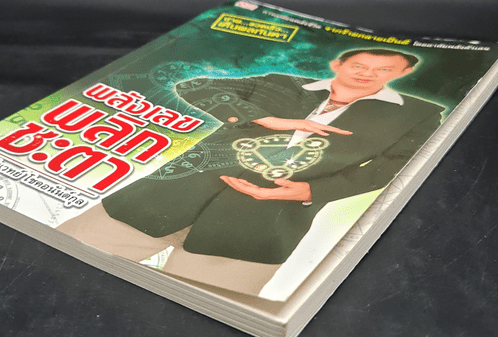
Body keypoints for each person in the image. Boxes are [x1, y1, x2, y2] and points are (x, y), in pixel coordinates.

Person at [59, 49, 444, 295]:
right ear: (338, 65)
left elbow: (397, 166)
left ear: (404, 71)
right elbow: (196, 85)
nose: (366, 73)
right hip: (153, 203)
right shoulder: (279, 82)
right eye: (358, 65)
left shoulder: (420, 114)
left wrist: (308, 192)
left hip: (259, 231)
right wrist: (264, 118)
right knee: (57, 270)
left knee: (194, 319)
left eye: (383, 69)